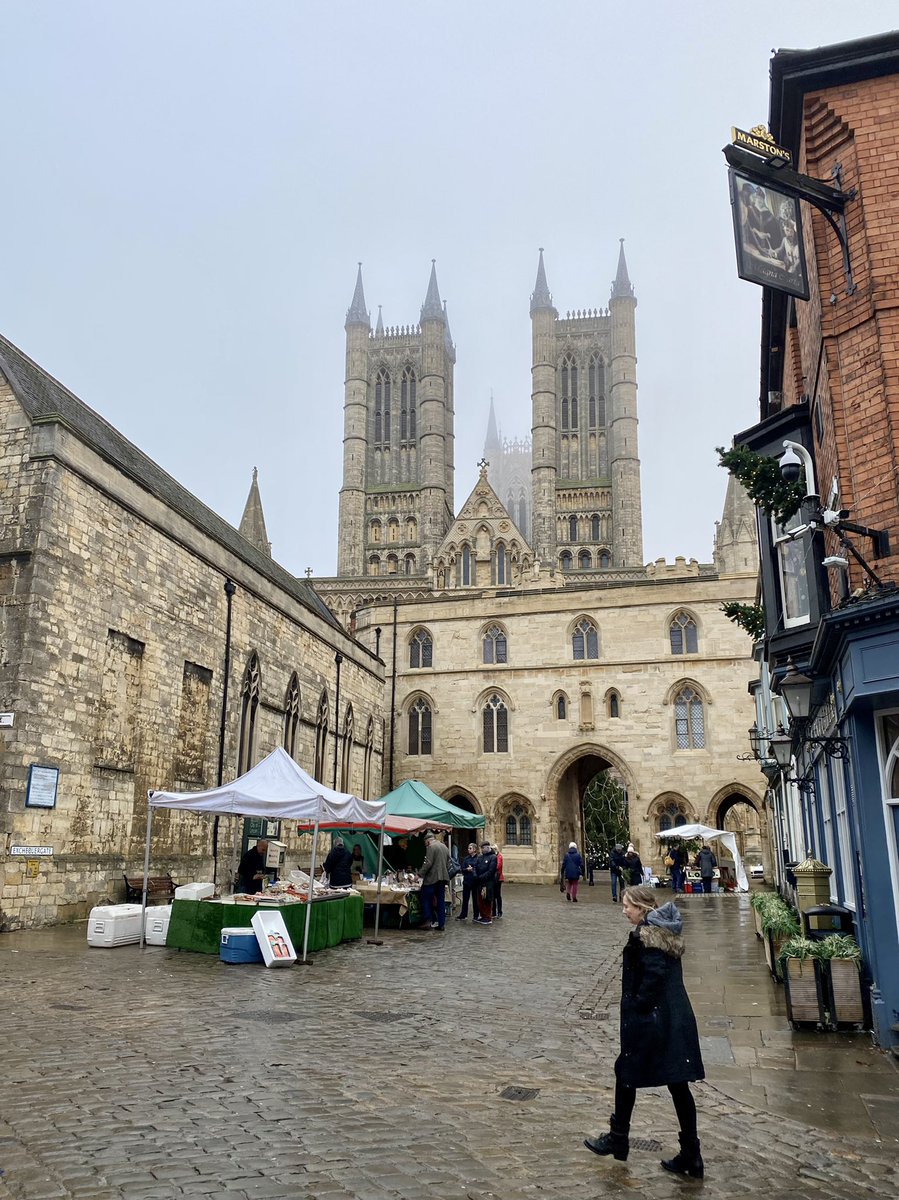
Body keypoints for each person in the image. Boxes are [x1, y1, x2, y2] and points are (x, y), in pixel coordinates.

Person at [583, 884, 705, 1178]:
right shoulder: (665, 930)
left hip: (655, 1020)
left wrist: (636, 1007)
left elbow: (653, 978)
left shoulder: (647, 936)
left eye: (627, 906)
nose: (624, 911)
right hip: (674, 1017)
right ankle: (690, 1153)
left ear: (641, 908)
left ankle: (618, 1138)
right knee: (677, 1084)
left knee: (627, 1073)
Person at [419, 831, 450, 930]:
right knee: (441, 902)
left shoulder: (431, 847)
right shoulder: (444, 847)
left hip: (432, 879)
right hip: (443, 878)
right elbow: (449, 863)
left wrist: (419, 874)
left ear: (427, 841)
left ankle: (427, 921)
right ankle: (441, 924)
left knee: (426, 899)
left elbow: (427, 863)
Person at [474, 841, 497, 924]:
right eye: (481, 848)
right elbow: (475, 867)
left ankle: (488, 916)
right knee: (480, 900)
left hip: (488, 882)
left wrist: (481, 877)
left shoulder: (493, 857)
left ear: (488, 847)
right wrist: (475, 875)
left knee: (487, 899)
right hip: (480, 882)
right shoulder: (480, 857)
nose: (482, 850)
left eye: (483, 848)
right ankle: (483, 915)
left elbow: (491, 871)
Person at [456, 842, 480, 921]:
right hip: (467, 881)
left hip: (475, 882)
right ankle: (463, 914)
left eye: (470, 848)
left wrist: (472, 869)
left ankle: (476, 915)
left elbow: (479, 868)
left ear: (474, 849)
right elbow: (462, 869)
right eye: (468, 848)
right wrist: (467, 869)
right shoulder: (466, 859)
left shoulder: (478, 858)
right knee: (465, 899)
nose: (468, 850)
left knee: (475, 899)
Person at [492, 843, 505, 917]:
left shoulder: (499, 856)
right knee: (493, 896)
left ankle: (499, 911)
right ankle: (493, 911)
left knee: (497, 895)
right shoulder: (493, 856)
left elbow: (498, 866)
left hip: (498, 878)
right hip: (493, 878)